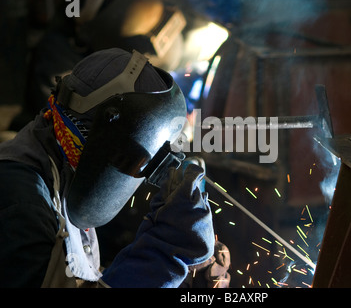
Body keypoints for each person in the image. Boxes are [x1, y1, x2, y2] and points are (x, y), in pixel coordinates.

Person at [0, 47, 221, 288]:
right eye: (133, 158)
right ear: (104, 136)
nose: (140, 170)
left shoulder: (65, 169)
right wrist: (164, 258)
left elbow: (78, 280)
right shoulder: (24, 208)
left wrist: (181, 277)